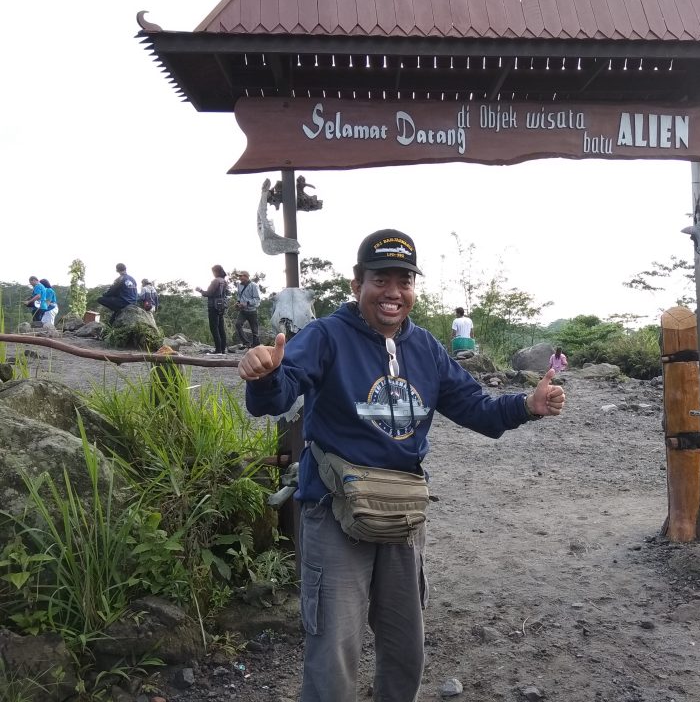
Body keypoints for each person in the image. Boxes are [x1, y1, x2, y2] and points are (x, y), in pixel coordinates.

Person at [238, 228, 566, 702]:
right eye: (380, 279)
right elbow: (279, 392)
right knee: (333, 651)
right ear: (357, 284)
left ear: (413, 288)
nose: (393, 292)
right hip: (333, 511)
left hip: (402, 513)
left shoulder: (426, 348)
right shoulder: (327, 335)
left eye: (404, 280)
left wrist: (527, 406)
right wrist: (265, 375)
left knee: (405, 648)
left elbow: (476, 408)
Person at [195, 265, 229, 354]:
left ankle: (218, 350)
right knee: (221, 328)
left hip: (213, 306)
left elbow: (208, 293)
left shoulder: (215, 281)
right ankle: (223, 349)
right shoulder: (224, 281)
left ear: (215, 272)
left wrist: (200, 290)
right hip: (222, 306)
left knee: (214, 328)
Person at [233, 270, 261, 349]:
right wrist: (238, 303)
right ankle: (246, 343)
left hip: (252, 311)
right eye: (239, 276)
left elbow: (257, 299)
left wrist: (247, 303)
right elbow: (239, 296)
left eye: (241, 276)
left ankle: (256, 346)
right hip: (243, 311)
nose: (239, 277)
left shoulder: (253, 286)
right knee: (238, 324)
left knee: (254, 330)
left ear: (246, 276)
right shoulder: (239, 285)